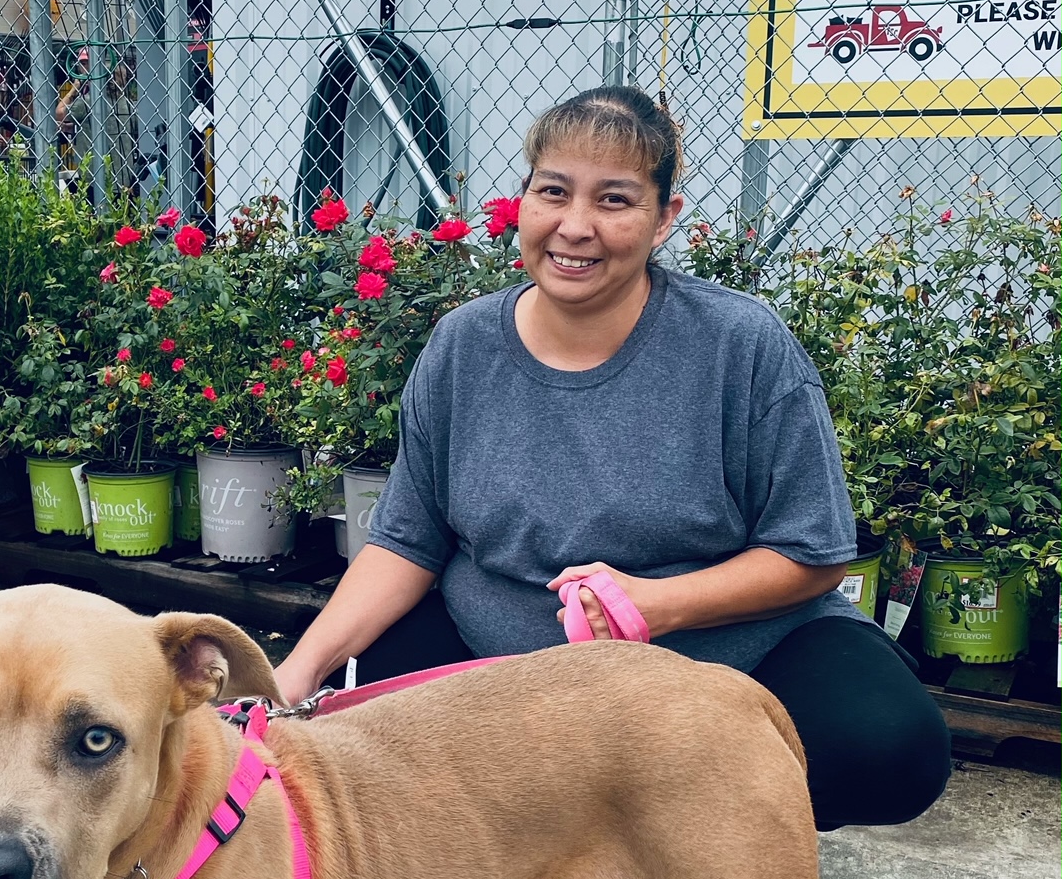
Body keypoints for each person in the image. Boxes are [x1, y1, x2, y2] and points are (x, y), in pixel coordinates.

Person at [274, 86, 950, 832]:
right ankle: (571, 810)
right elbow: (409, 538)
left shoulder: (741, 346)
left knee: (889, 747)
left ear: (665, 219)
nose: (575, 227)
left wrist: (657, 604)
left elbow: (812, 553)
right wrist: (296, 674)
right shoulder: (464, 346)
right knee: (355, 711)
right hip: (508, 665)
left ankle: (672, 812)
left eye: (615, 200)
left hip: (724, 661)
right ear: (524, 201)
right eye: (553, 192)